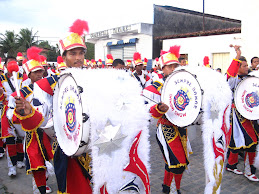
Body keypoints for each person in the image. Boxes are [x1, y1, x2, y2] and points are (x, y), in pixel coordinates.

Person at [13, 19, 92, 193]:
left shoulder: (93, 80)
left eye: (81, 53)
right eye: (73, 54)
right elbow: (43, 120)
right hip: (67, 150)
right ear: (64, 57)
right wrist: (29, 113)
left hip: (94, 149)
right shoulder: (46, 85)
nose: (78, 58)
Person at [143, 46, 189, 194]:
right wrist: (158, 109)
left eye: (176, 65)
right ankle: (175, 190)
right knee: (178, 162)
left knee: (171, 162)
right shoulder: (155, 87)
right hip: (166, 128)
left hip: (181, 127)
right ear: (163, 68)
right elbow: (147, 110)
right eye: (171, 66)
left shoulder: (185, 84)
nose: (174, 68)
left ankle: (167, 187)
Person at [8, 46, 53, 193]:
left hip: (50, 132)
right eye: (36, 72)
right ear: (29, 74)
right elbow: (11, 114)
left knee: (49, 163)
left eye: (41, 71)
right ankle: (37, 189)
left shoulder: (49, 88)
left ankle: (43, 185)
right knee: (37, 164)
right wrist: (20, 113)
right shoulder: (21, 93)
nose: (40, 74)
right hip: (32, 135)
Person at [226, 45, 259, 182]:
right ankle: (248, 170)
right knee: (251, 142)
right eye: (244, 66)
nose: (247, 68)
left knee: (236, 141)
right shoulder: (233, 81)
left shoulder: (250, 78)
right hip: (238, 116)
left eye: (247, 66)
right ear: (238, 68)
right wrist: (237, 56)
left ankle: (231, 164)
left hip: (250, 116)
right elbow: (229, 75)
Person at [0, 57, 28, 177]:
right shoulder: (1, 78)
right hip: (7, 111)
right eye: (9, 63)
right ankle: (12, 167)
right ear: (5, 66)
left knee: (22, 138)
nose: (12, 65)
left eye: (14, 63)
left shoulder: (23, 77)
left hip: (21, 109)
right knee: (10, 139)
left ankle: (20, 160)